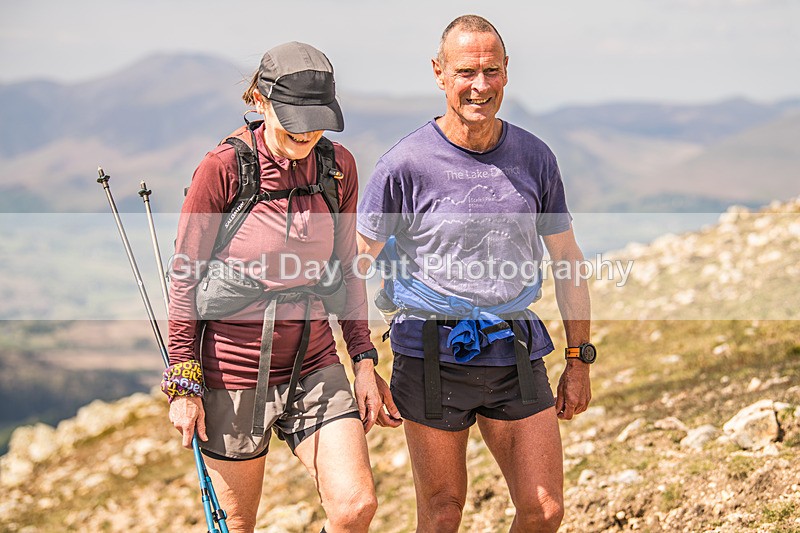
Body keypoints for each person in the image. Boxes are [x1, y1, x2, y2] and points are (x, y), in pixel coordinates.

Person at [357, 15, 594, 533]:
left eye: (491, 71)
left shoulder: (535, 157)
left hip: (513, 345)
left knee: (545, 510)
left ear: (507, 72)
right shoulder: (403, 165)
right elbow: (354, 265)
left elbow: (568, 260)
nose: (479, 86)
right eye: (466, 72)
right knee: (443, 513)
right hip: (428, 353)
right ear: (439, 73)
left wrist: (579, 358)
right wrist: (360, 362)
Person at [163, 42, 396, 533]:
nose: (307, 131)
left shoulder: (338, 168)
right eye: (294, 117)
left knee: (355, 507)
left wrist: (364, 360)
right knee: (236, 525)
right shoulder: (223, 169)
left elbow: (348, 269)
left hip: (315, 361)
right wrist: (183, 383)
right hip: (232, 372)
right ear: (259, 99)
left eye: (317, 118)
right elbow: (184, 276)